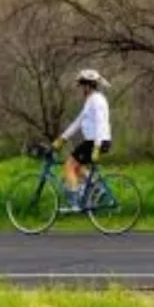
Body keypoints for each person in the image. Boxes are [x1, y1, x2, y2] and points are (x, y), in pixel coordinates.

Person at [52, 69, 111, 210]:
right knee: (77, 167)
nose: (81, 89)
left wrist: (97, 147)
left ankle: (75, 203)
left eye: (82, 85)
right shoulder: (91, 100)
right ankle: (98, 188)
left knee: (69, 165)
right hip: (94, 141)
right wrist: (62, 139)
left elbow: (100, 123)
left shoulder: (96, 100)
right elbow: (78, 122)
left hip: (96, 141)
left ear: (88, 85)